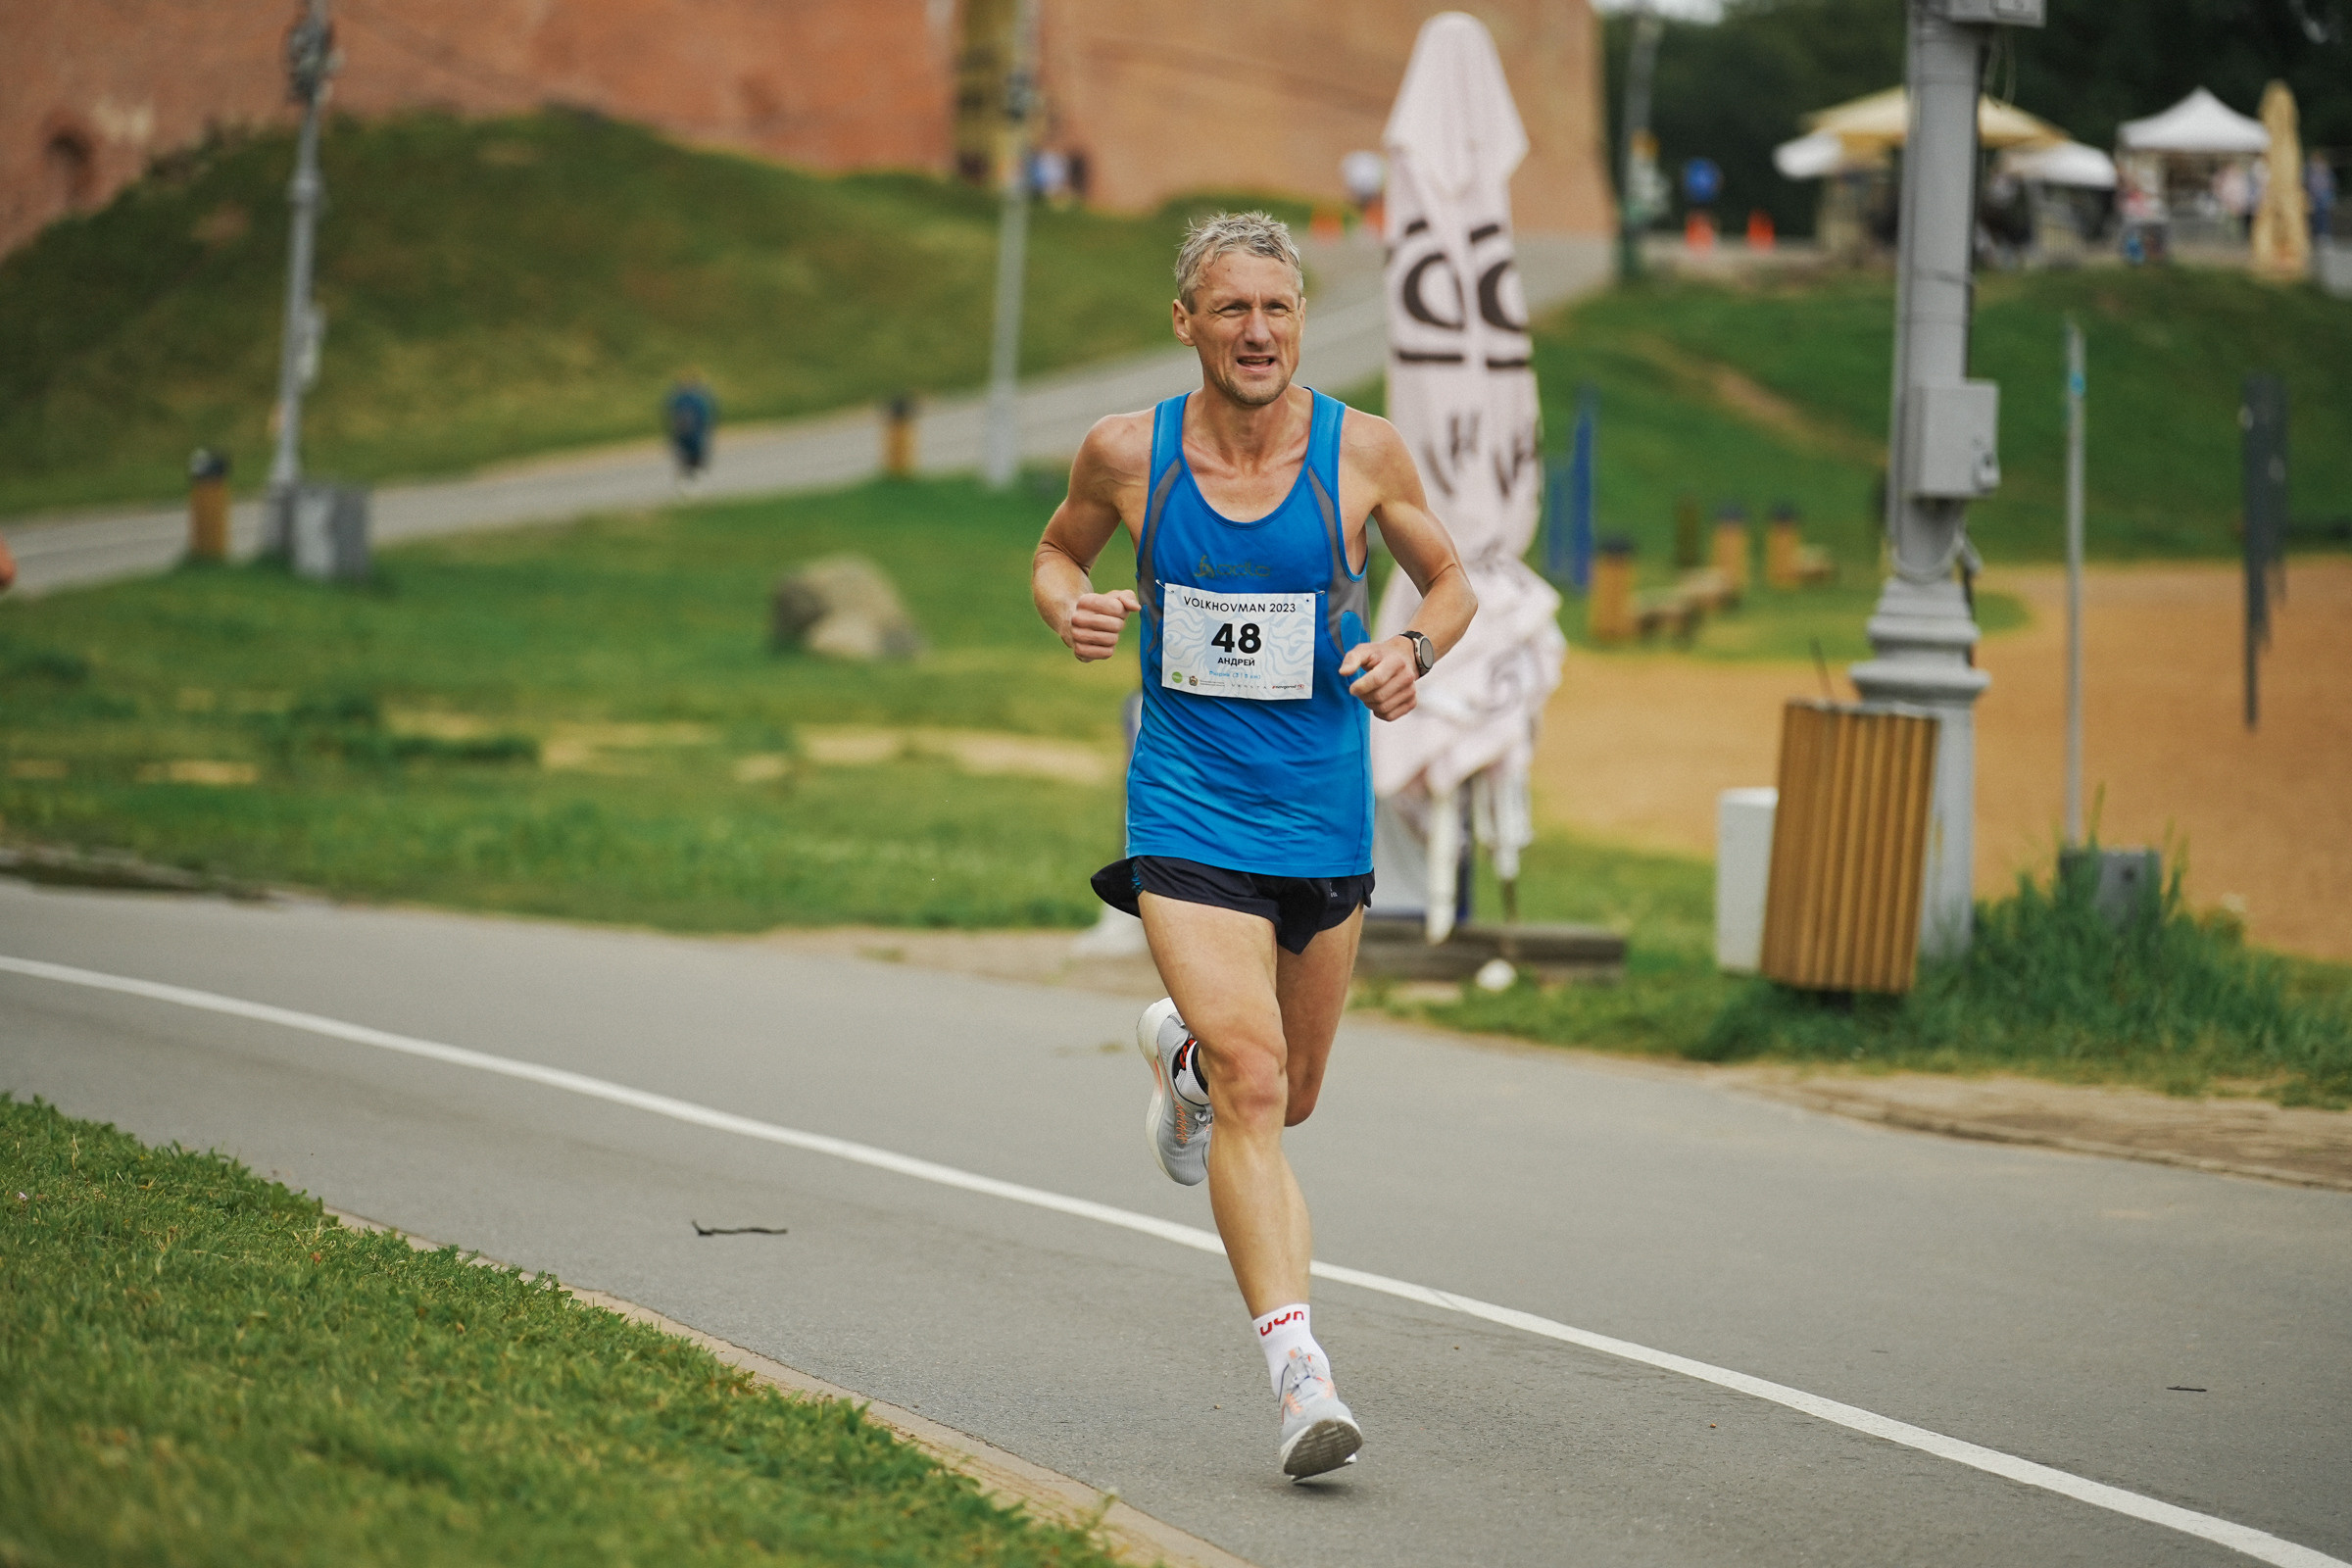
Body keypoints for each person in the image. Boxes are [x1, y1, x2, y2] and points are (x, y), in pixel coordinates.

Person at [1030, 212, 1476, 1480]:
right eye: (1231, 308)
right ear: (1186, 323)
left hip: (1320, 813)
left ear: (1302, 319)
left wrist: (1413, 650)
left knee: (1292, 1089)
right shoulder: (1128, 453)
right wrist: (1074, 608)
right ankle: (1300, 1378)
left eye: (1277, 307)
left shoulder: (1361, 451)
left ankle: (1179, 1060)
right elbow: (1057, 553)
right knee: (1257, 1078)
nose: (1258, 331)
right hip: (1185, 803)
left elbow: (1452, 582)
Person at [663, 372, 717, 488]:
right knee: (685, 455)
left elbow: (706, 415)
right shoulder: (680, 400)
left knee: (695, 454)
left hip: (694, 432)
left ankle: (694, 475)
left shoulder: (697, 399)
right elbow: (671, 414)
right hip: (684, 433)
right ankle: (688, 476)